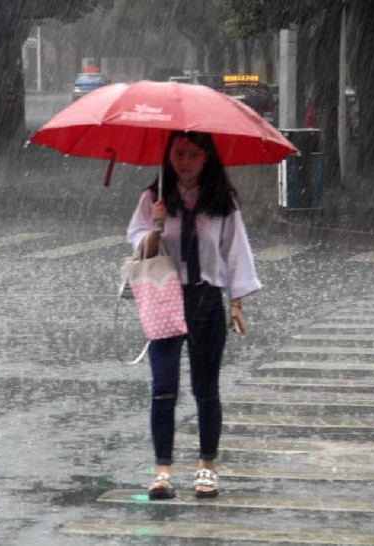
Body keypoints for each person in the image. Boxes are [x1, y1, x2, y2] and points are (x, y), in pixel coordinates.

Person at [126, 130, 261, 500]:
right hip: (164, 296)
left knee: (205, 389)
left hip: (205, 299)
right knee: (163, 386)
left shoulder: (221, 200)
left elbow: (235, 250)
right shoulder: (153, 197)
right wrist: (154, 228)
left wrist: (236, 302)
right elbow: (138, 247)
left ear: (207, 158)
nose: (184, 163)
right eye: (178, 154)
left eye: (193, 155)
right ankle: (162, 471)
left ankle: (207, 466)